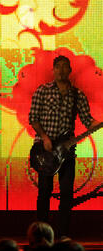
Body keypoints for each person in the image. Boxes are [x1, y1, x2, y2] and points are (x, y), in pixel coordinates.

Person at [29, 55, 100, 238]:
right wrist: (45, 138)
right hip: (45, 149)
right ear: (53, 70)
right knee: (45, 191)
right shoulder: (42, 91)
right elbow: (33, 119)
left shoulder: (78, 95)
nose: (61, 70)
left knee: (67, 192)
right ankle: (42, 235)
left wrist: (98, 123)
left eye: (64, 67)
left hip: (67, 150)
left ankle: (62, 233)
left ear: (70, 70)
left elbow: (87, 120)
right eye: (57, 67)